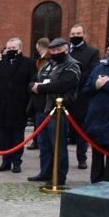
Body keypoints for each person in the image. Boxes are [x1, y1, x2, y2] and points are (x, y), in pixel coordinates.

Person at [27, 38, 81, 186]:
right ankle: (45, 172)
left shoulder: (72, 65)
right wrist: (34, 86)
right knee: (44, 145)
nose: (55, 52)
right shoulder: (48, 65)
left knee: (58, 146)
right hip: (41, 111)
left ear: (66, 49)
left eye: (59, 50)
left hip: (58, 111)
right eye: (53, 50)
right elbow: (33, 80)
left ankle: (59, 176)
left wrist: (40, 88)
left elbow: (63, 84)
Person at [0, 38, 37, 174]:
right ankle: (6, 161)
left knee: (17, 136)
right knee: (4, 136)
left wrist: (30, 107)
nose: (10, 50)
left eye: (13, 48)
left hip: (20, 106)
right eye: (8, 48)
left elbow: (32, 85)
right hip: (4, 105)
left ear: (20, 49)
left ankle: (17, 162)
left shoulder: (29, 63)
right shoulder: (0, 65)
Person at [82, 39, 109, 183]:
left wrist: (108, 84)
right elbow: (86, 90)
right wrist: (96, 86)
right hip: (96, 119)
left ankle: (108, 187)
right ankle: (95, 183)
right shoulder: (99, 68)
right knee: (97, 156)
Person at [67, 24, 101, 170]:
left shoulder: (92, 52)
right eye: (73, 33)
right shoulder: (65, 51)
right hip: (65, 96)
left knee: (82, 131)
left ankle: (82, 158)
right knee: (63, 130)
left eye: (78, 33)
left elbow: (93, 73)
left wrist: (72, 79)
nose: (75, 35)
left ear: (84, 35)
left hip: (81, 97)